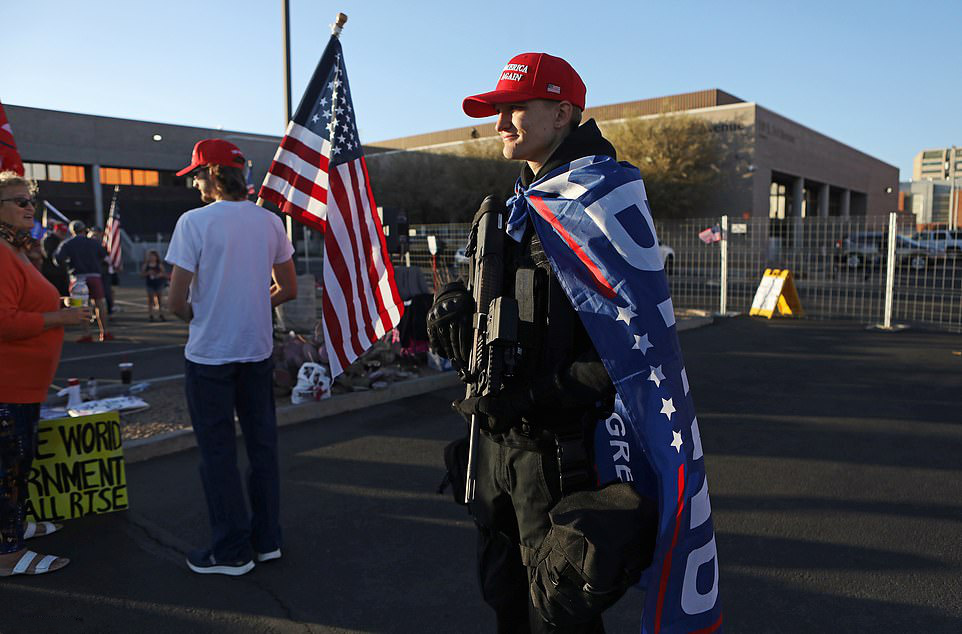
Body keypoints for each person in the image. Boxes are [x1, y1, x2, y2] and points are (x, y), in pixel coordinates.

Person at [428, 53, 660, 633]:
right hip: (496, 442)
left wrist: (533, 397)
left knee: (560, 610)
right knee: (503, 594)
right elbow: (514, 310)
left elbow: (630, 349)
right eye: (496, 111)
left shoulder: (598, 200)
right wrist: (450, 308)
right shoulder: (518, 202)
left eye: (514, 109)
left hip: (560, 451)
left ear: (562, 113)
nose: (501, 123)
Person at [165, 139, 297, 576]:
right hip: (255, 351)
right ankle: (266, 540)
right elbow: (289, 287)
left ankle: (232, 550)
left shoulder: (194, 223)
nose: (195, 183)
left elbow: (175, 301)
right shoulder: (270, 222)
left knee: (218, 452)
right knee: (262, 447)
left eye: (198, 175)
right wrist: (254, 301)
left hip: (210, 357)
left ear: (214, 174)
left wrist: (202, 314)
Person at [0, 171, 88, 577]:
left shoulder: (15, 250)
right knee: (9, 468)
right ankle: (7, 553)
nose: (29, 207)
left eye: (29, 200)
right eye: (19, 201)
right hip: (8, 382)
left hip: (24, 383)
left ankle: (15, 526)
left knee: (19, 462)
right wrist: (61, 317)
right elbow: (4, 322)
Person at [53, 219, 112, 342]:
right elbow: (106, 258)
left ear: (72, 231)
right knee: (99, 303)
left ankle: (87, 333)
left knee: (81, 305)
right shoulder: (94, 243)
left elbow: (58, 259)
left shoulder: (67, 244)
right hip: (95, 276)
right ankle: (105, 332)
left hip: (78, 277)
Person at [140, 249, 167, 321]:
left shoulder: (159, 265)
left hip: (158, 283)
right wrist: (148, 273)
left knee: (160, 300)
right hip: (150, 284)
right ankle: (151, 315)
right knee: (150, 300)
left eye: (153, 256)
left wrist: (160, 275)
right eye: (150, 256)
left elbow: (165, 274)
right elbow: (141, 275)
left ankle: (161, 314)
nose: (152, 258)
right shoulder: (146, 265)